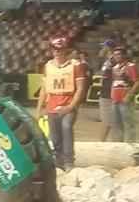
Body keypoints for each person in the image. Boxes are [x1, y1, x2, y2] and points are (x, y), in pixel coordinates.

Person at [37, 38, 88, 170]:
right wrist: (39, 108)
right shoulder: (48, 66)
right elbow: (44, 88)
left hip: (68, 102)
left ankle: (69, 161)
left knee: (66, 127)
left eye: (60, 49)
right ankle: (58, 161)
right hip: (52, 103)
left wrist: (71, 106)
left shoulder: (75, 65)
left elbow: (81, 88)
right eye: (54, 49)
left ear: (66, 50)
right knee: (54, 136)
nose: (57, 52)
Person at [110, 48, 139, 143]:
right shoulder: (114, 68)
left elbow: (137, 82)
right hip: (116, 98)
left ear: (124, 55)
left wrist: (129, 95)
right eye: (115, 54)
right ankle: (119, 143)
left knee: (128, 123)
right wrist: (112, 95)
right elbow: (114, 82)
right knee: (117, 123)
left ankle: (131, 142)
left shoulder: (130, 66)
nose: (116, 56)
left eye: (119, 54)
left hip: (125, 98)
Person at [98, 47, 117, 142]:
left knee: (107, 121)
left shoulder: (112, 62)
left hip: (109, 94)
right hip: (107, 93)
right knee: (108, 121)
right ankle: (103, 141)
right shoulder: (107, 62)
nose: (101, 50)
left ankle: (103, 141)